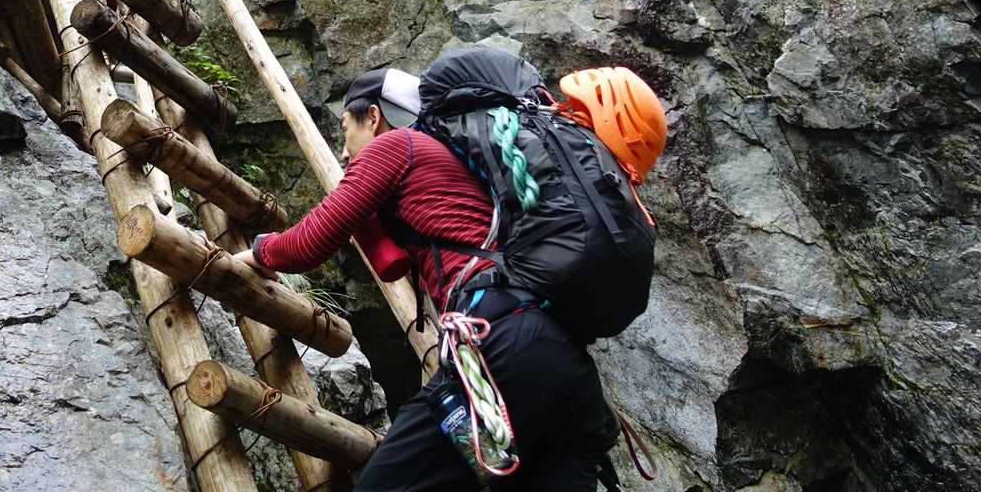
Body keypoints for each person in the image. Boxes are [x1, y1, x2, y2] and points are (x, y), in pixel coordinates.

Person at [235, 60, 668, 491]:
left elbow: (308, 243)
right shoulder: (461, 166)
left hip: (500, 352)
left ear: (374, 116)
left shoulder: (398, 146)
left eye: (346, 130)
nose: (345, 153)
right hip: (568, 379)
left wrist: (257, 251)